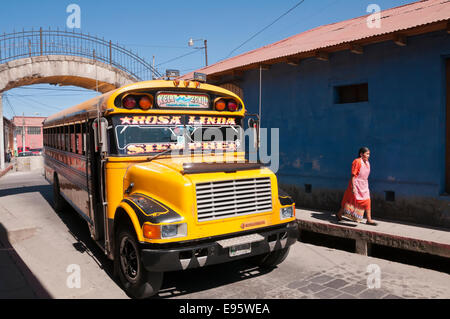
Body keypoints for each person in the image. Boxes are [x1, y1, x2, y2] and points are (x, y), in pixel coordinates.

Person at [336, 147, 377, 226]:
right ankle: (339, 214)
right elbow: (353, 175)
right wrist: (353, 187)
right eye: (367, 154)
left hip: (364, 185)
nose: (368, 156)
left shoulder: (367, 163)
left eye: (369, 154)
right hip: (356, 184)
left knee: (367, 201)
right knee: (349, 201)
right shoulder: (357, 162)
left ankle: (369, 219)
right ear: (361, 154)